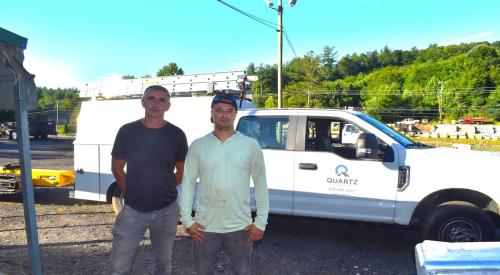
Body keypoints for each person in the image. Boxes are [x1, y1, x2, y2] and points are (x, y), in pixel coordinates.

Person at [179, 93, 269, 275]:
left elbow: (261, 184)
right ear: (212, 113)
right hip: (205, 228)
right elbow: (187, 184)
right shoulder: (198, 145)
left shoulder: (250, 145)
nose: (224, 115)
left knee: (243, 271)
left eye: (229, 111)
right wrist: (187, 220)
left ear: (235, 114)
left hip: (240, 227)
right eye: (219, 110)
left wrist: (261, 222)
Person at [110, 85, 188, 275]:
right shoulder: (127, 131)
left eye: (162, 100)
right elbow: (117, 168)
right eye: (151, 98)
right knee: (119, 265)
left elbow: (182, 170)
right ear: (143, 102)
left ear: (167, 106)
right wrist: (131, 191)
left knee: (164, 263)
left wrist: (166, 187)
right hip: (133, 210)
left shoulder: (177, 134)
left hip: (167, 210)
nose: (156, 103)